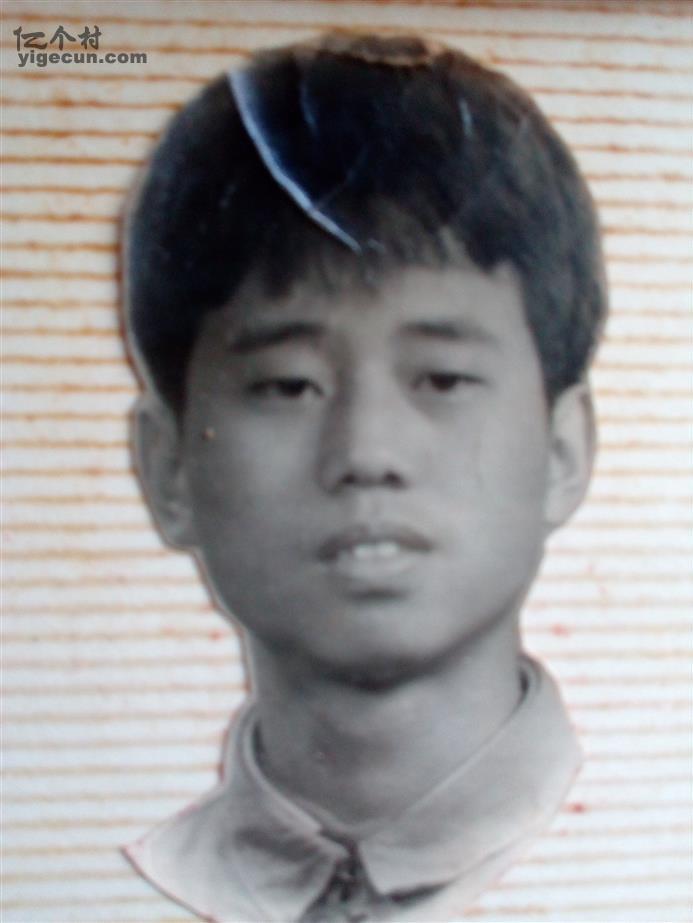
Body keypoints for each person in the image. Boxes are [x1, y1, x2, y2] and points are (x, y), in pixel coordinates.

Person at [122, 31, 607, 923]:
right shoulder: (105, 884)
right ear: (168, 465)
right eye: (287, 384)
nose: (366, 451)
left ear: (564, 448)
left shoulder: (648, 848)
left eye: (442, 378)